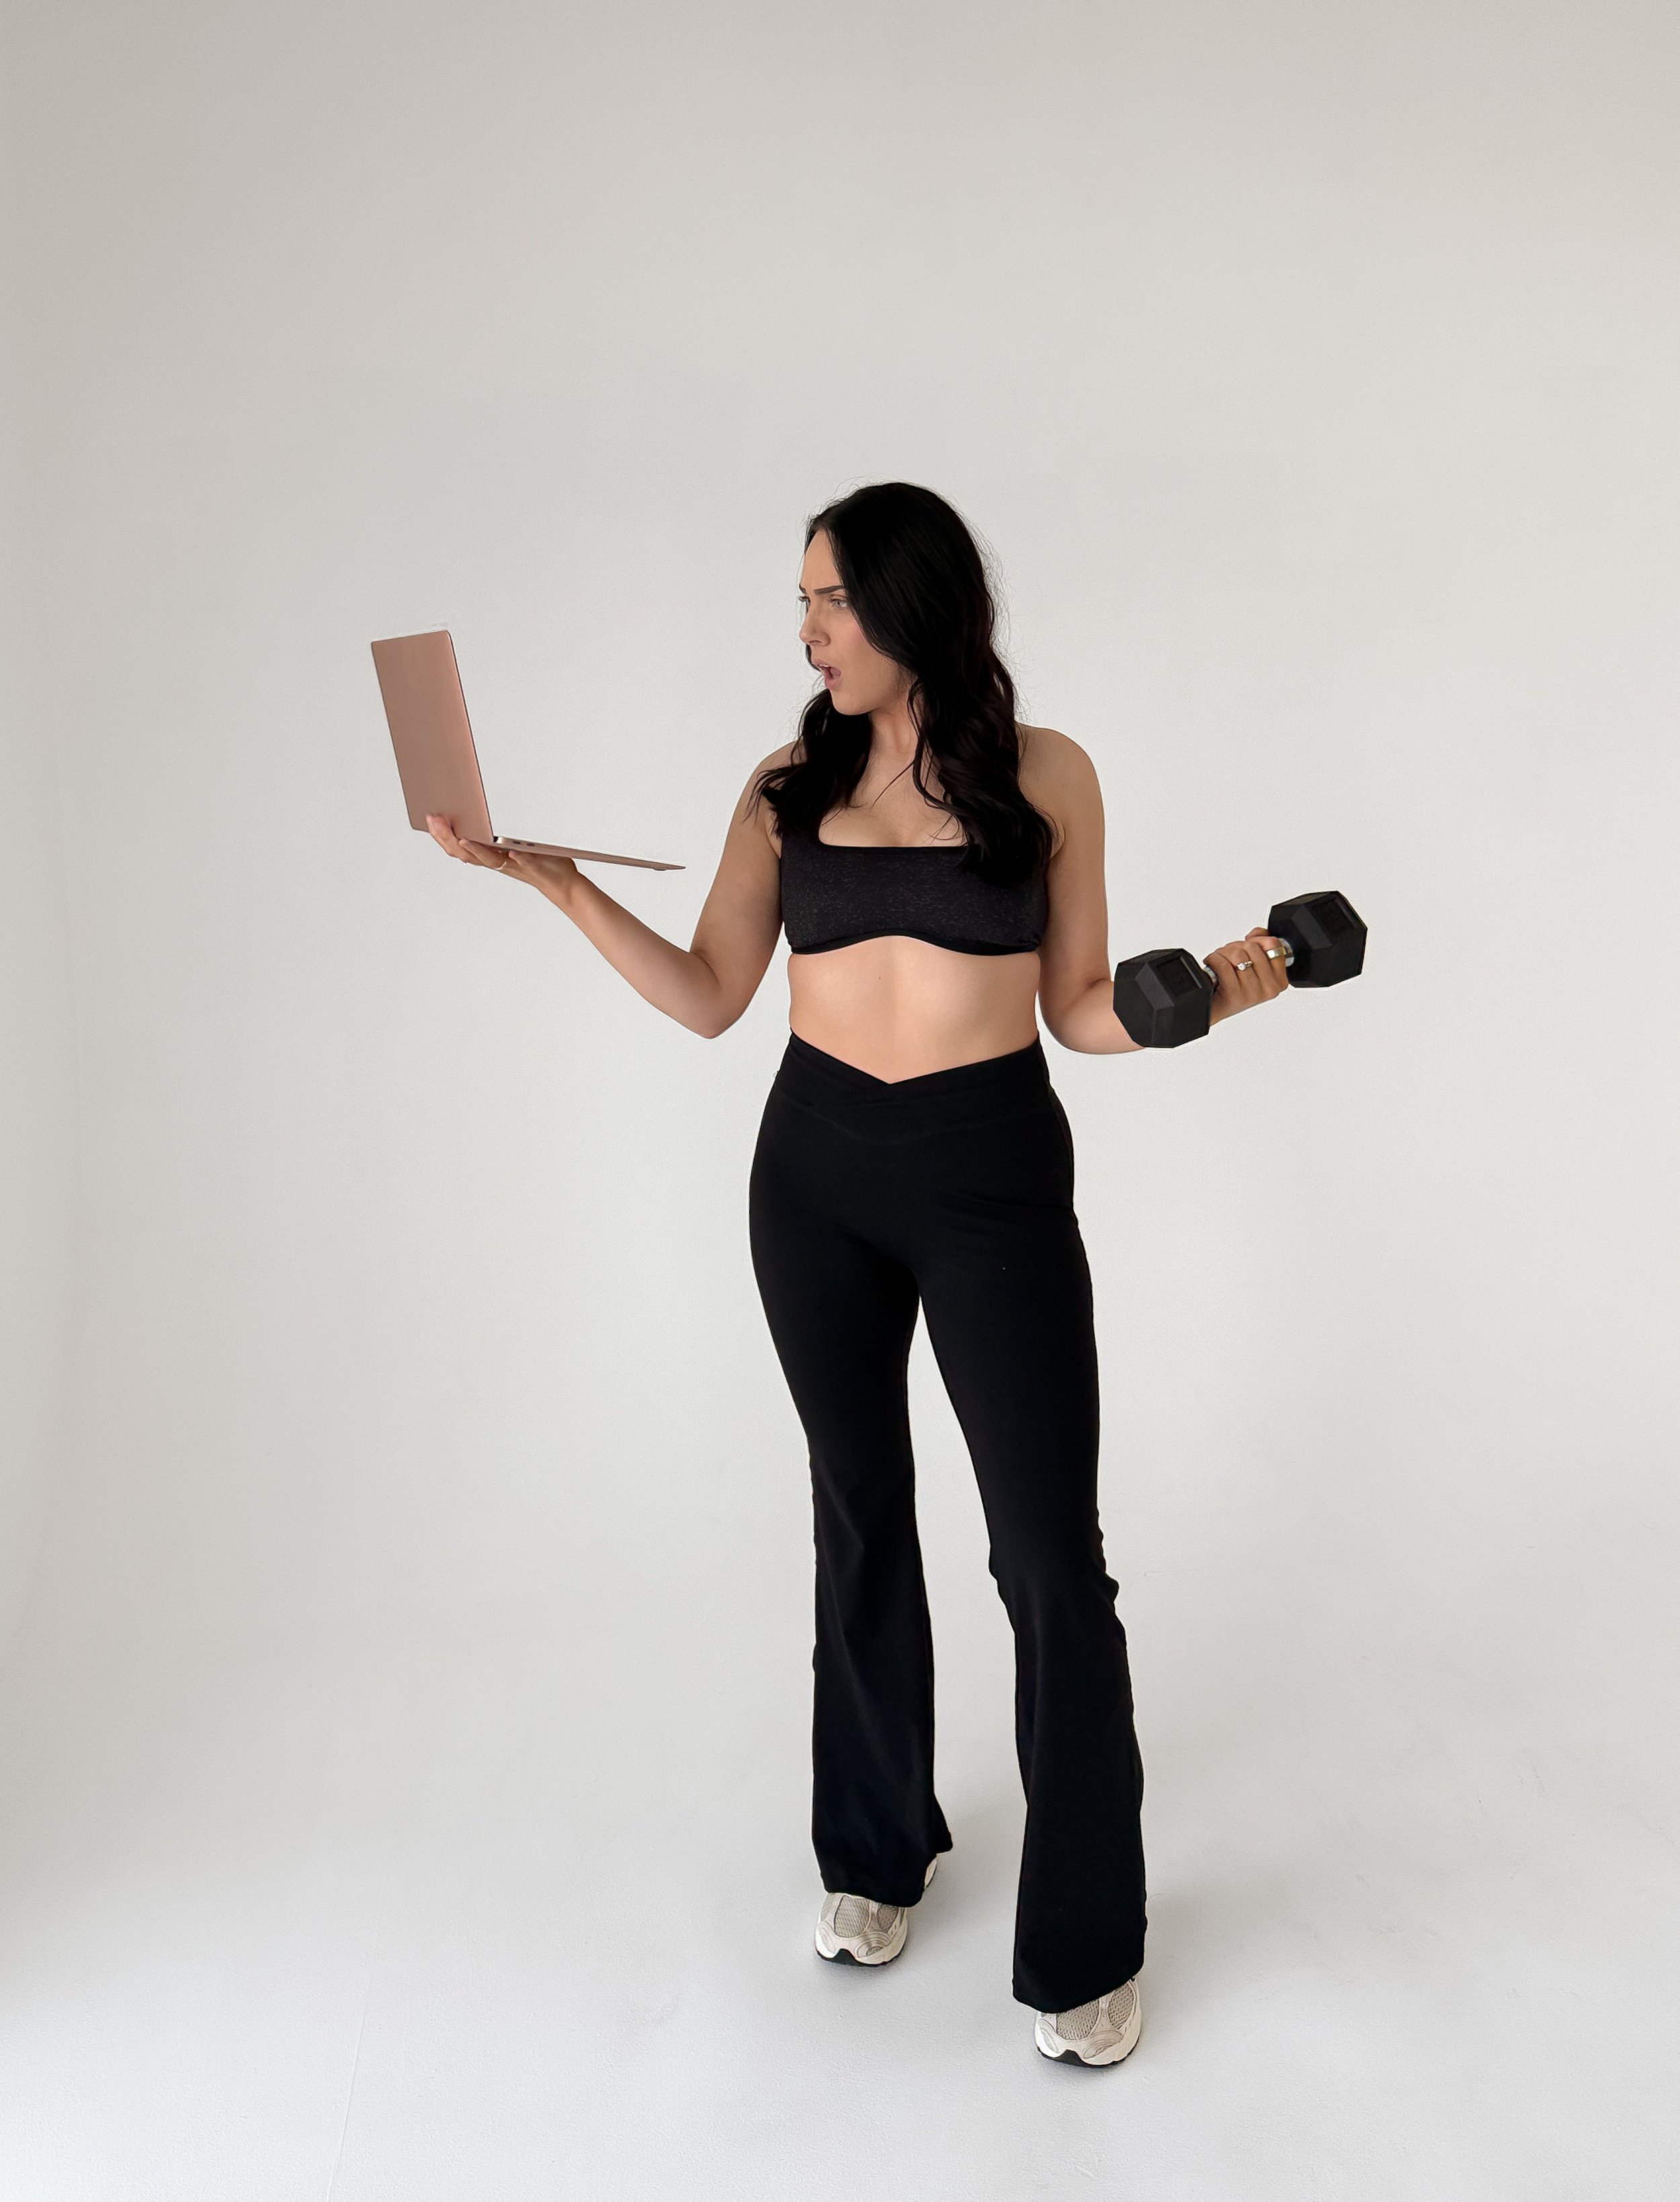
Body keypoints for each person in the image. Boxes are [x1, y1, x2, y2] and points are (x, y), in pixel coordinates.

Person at [425, 481, 1290, 2066]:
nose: (808, 632)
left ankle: (1087, 1936)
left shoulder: (1045, 775)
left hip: (987, 1180)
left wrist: (1219, 994)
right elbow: (706, 996)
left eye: (828, 601)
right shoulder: (783, 782)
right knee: (857, 1510)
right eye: (802, 606)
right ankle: (873, 1847)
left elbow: (1083, 1007)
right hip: (811, 1174)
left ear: (911, 606)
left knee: (1046, 1560)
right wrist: (555, 885)